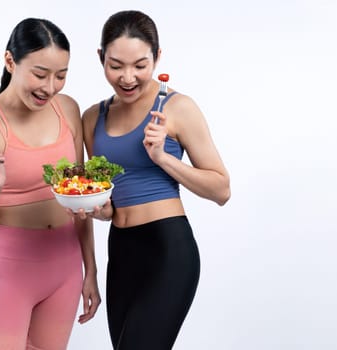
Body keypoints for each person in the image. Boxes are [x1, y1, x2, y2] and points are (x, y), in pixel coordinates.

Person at [81, 10, 231, 350]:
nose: (128, 77)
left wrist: (163, 158)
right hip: (120, 252)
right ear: (101, 58)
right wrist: (100, 210)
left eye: (140, 65)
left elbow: (222, 189)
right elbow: (104, 200)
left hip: (168, 250)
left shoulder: (178, 108)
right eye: (116, 66)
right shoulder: (92, 117)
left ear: (157, 57)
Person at [0, 18, 100, 350]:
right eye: (40, 74)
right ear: (10, 61)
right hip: (11, 271)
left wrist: (90, 270)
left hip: (66, 266)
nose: (50, 87)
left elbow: (80, 196)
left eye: (61, 76)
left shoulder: (67, 110)